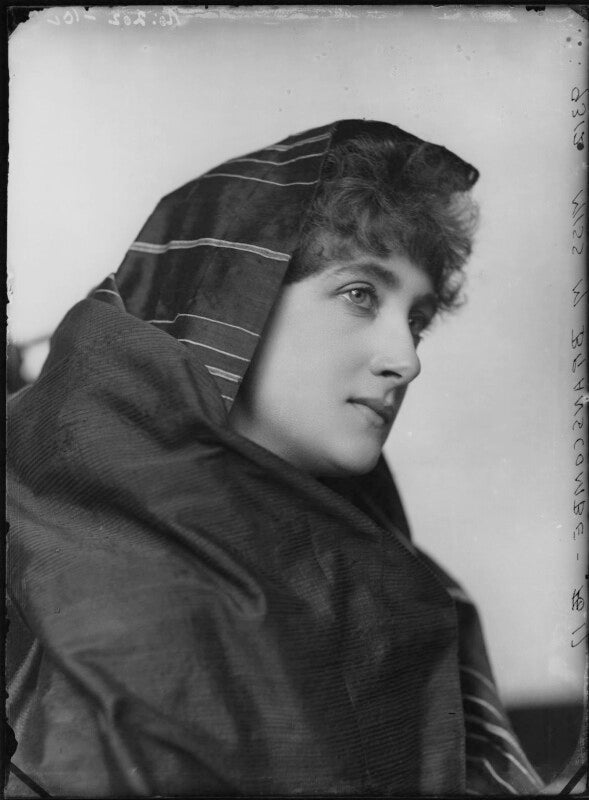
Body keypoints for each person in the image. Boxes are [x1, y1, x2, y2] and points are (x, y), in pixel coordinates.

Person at [5, 119, 545, 796]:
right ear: (233, 298)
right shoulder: (78, 575)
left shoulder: (400, 583)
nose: (405, 360)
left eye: (416, 320)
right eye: (359, 294)